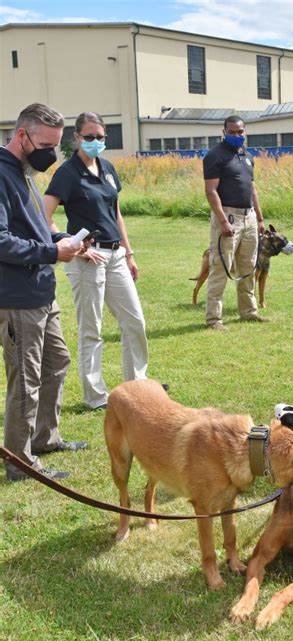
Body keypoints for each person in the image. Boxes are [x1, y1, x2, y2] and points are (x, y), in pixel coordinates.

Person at [0, 103, 88, 482]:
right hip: (17, 299)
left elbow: (33, 228)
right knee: (26, 379)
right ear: (22, 136)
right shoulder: (2, 175)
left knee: (57, 362)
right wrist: (53, 252)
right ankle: (19, 462)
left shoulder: (25, 174)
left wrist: (61, 238)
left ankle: (45, 439)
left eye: (56, 146)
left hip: (40, 293)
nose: (50, 155)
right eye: (46, 144)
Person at [44, 112, 148, 411]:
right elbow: (44, 214)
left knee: (134, 321)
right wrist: (72, 245)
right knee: (92, 328)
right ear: (76, 138)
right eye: (89, 137)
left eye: (100, 137)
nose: (95, 142)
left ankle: (137, 386)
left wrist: (129, 253)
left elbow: (116, 213)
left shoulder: (108, 168)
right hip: (87, 259)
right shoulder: (67, 173)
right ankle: (96, 396)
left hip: (115, 255)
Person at [203, 115, 270, 330]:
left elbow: (252, 188)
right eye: (231, 132)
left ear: (245, 131)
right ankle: (214, 319)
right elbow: (211, 191)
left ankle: (249, 311)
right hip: (228, 217)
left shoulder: (247, 156)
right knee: (221, 268)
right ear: (224, 132)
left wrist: (259, 218)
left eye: (240, 132)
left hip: (248, 216)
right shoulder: (215, 156)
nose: (236, 136)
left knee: (248, 267)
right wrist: (223, 221)